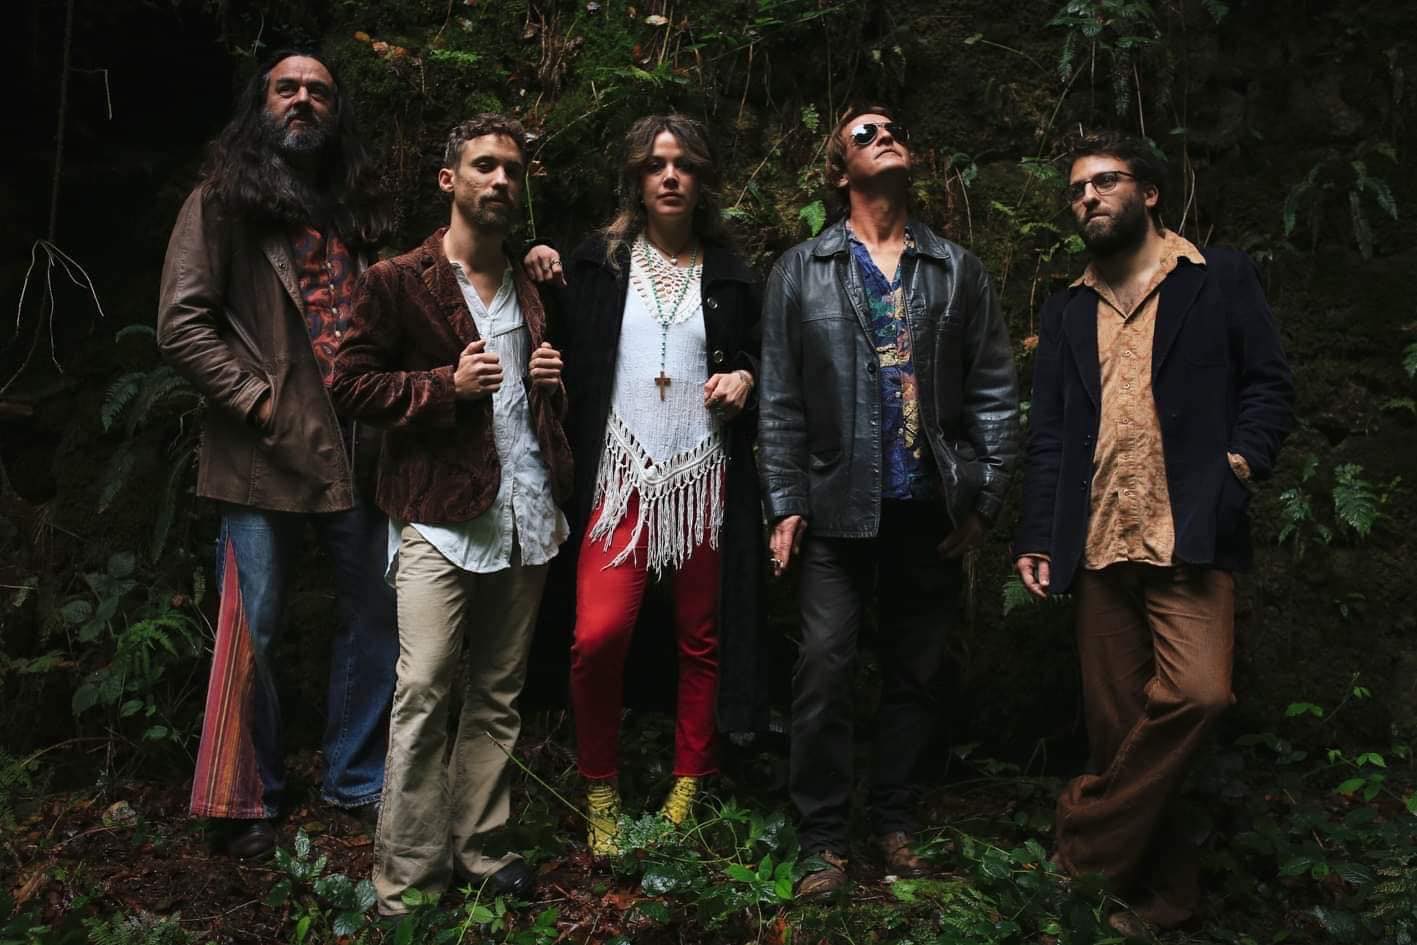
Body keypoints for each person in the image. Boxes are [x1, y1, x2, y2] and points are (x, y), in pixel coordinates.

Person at [1013, 130, 1294, 937]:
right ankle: (1160, 900)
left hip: (1187, 532)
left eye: (1105, 181)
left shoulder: (1217, 276)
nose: (1088, 198)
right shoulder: (1066, 308)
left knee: (1197, 694)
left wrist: (1238, 465)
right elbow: (1050, 433)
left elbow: (1269, 385)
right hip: (1096, 539)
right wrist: (1037, 533)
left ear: (1149, 192)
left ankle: (1079, 843)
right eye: (1076, 189)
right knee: (1121, 734)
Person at [757, 105, 1020, 899]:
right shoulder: (801, 269)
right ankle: (822, 839)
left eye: (893, 129)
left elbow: (993, 389)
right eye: (864, 134)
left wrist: (983, 497)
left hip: (927, 506)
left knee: (916, 671)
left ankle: (896, 820)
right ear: (839, 172)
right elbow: (779, 397)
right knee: (823, 666)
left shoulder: (955, 268)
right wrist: (784, 500)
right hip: (834, 505)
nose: (885, 137)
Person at [329, 114, 573, 913]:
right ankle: (404, 879)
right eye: (483, 165)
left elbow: (531, 407)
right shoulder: (398, 280)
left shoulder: (533, 281)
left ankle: (482, 847)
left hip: (525, 510)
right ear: (449, 180)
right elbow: (349, 384)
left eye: (511, 169)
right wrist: (444, 386)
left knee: (498, 690)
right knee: (425, 686)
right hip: (437, 517)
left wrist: (549, 383)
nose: (499, 179)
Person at [157, 49, 396, 860]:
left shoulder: (358, 209)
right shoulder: (221, 202)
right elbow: (181, 323)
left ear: (337, 110)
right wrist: (260, 401)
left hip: (359, 446)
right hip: (261, 453)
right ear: (260, 104)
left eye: (318, 91)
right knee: (251, 623)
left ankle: (355, 777)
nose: (302, 100)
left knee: (378, 611)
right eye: (286, 88)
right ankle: (245, 795)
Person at [525, 114, 764, 856]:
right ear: (636, 177)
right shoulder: (594, 263)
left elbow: (760, 356)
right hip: (620, 472)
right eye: (656, 164)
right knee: (596, 636)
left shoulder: (731, 273)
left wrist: (746, 376)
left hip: (702, 477)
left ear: (702, 180)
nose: (670, 176)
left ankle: (690, 780)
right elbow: (545, 322)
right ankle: (599, 785)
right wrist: (533, 262)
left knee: (702, 638)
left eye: (684, 164)